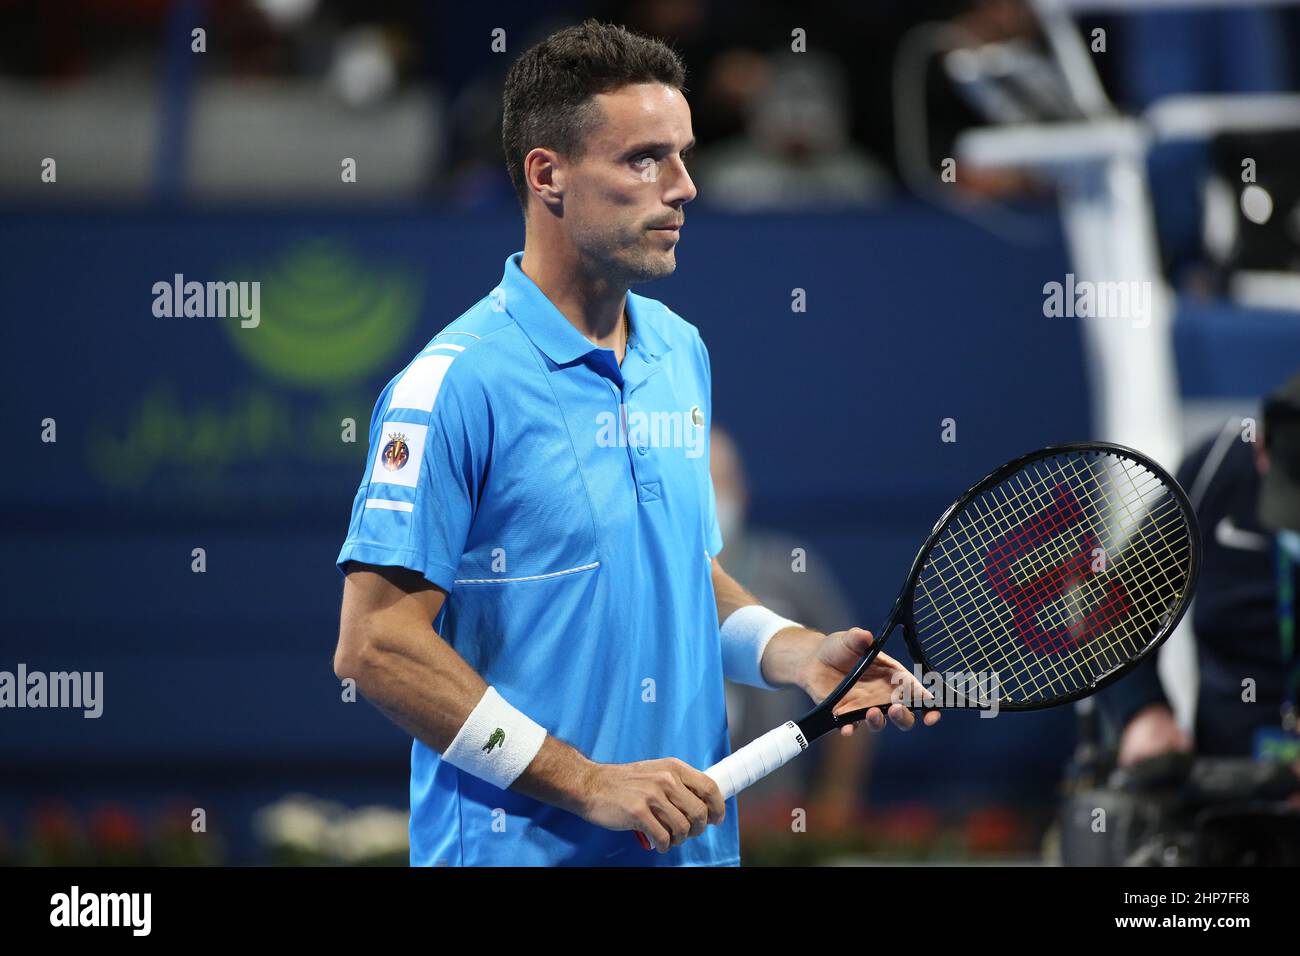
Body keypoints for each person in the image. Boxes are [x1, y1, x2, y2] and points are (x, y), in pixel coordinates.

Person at [331, 20, 939, 867]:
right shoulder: (452, 386)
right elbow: (377, 647)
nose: (684, 186)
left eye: (685, 155)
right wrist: (586, 782)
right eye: (645, 158)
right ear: (549, 175)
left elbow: (681, 574)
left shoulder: (680, 351)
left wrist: (793, 652)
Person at [1102, 371, 1300, 771]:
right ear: (1261, 448)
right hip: (1225, 785)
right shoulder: (1216, 470)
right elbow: (1113, 604)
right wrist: (1143, 713)